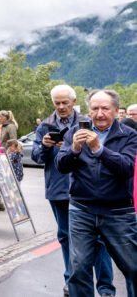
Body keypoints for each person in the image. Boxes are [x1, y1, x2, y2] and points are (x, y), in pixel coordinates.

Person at [33, 84, 115, 297]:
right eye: (57, 103)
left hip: (85, 189)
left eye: (64, 103)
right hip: (58, 189)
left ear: (74, 102)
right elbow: (36, 157)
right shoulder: (46, 125)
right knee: (67, 237)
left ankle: (105, 287)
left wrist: (74, 148)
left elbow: (102, 153)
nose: (61, 107)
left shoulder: (87, 122)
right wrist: (45, 146)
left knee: (98, 238)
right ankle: (71, 280)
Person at [56, 89, 137, 297]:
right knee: (79, 268)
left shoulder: (129, 135)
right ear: (88, 111)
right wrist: (74, 149)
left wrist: (99, 149)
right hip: (82, 208)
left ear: (117, 110)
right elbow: (61, 166)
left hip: (118, 211)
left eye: (105, 108)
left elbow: (128, 167)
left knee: (133, 267)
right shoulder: (74, 132)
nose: (99, 113)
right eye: (95, 109)